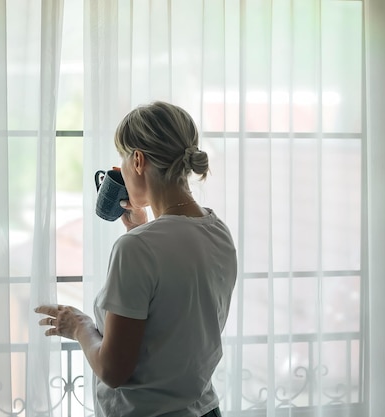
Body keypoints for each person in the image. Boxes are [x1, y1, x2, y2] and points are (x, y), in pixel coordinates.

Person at [36, 101, 237, 417]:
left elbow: (114, 371)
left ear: (138, 160)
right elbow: (178, 316)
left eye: (122, 159)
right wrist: (144, 227)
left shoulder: (136, 249)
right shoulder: (218, 231)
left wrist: (78, 326)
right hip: (205, 410)